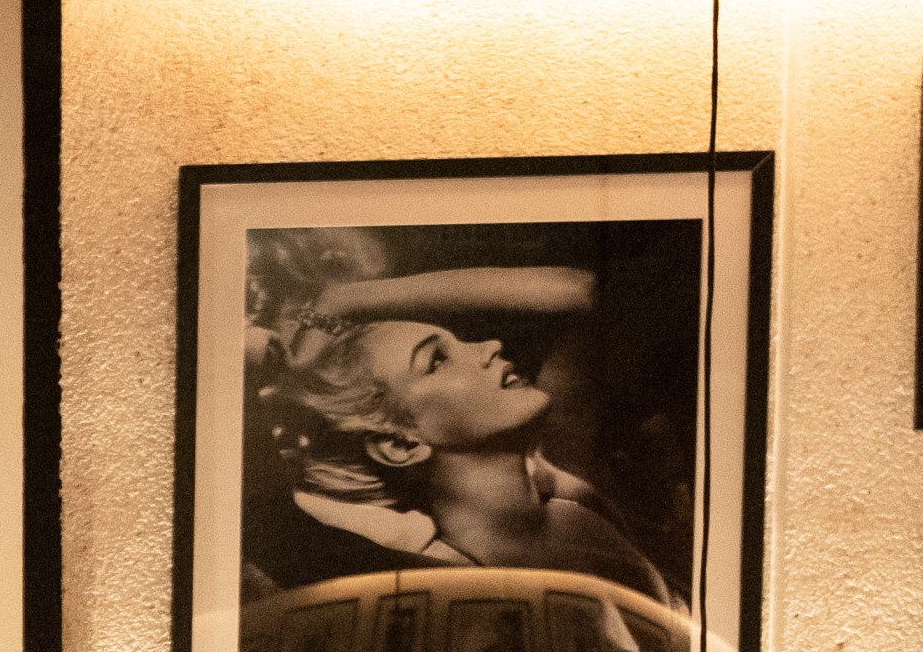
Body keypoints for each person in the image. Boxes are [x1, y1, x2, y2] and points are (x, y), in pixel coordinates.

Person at [244, 234, 678, 602]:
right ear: (401, 444)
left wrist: (341, 300)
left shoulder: (575, 504)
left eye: (459, 343)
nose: (490, 344)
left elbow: (586, 292)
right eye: (437, 361)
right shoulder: (440, 590)